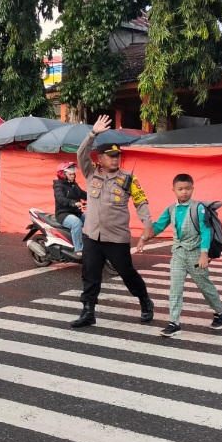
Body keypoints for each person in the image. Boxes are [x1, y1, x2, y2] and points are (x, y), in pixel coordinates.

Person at [71, 114, 155, 328]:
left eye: (117, 156)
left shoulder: (128, 178)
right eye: (111, 156)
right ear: (100, 158)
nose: (116, 159)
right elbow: (81, 153)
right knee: (90, 274)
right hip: (92, 235)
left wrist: (148, 225)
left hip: (116, 238)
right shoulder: (91, 173)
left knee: (127, 273)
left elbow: (141, 202)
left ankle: (145, 301)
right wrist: (93, 134)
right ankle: (88, 311)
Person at [137, 173, 222, 337]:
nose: (184, 192)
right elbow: (158, 226)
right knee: (175, 288)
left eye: (187, 189)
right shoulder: (171, 209)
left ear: (193, 188)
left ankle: (220, 311)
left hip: (196, 253)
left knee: (204, 286)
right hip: (178, 254)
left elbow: (206, 231)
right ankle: (174, 322)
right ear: (173, 190)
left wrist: (204, 254)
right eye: (180, 189)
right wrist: (144, 237)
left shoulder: (198, 208)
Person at [54, 161, 87, 256]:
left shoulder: (73, 184)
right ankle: (78, 249)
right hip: (63, 214)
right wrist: (73, 203)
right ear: (62, 174)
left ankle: (90, 244)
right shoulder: (58, 186)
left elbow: (83, 194)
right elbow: (61, 199)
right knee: (77, 223)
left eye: (73, 174)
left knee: (91, 220)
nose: (73, 176)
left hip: (76, 212)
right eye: (70, 174)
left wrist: (95, 197)